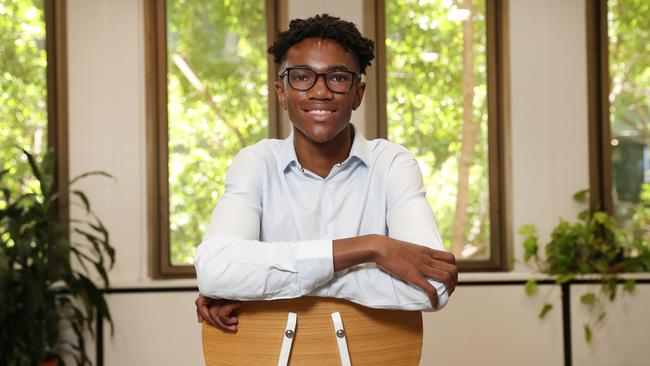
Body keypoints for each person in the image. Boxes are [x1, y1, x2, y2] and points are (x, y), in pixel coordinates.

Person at [194, 14, 458, 332]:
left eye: (337, 77)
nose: (320, 91)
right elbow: (215, 271)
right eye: (302, 77)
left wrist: (267, 287)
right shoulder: (256, 163)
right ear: (281, 92)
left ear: (357, 94)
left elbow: (434, 284)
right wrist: (372, 247)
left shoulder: (392, 164)